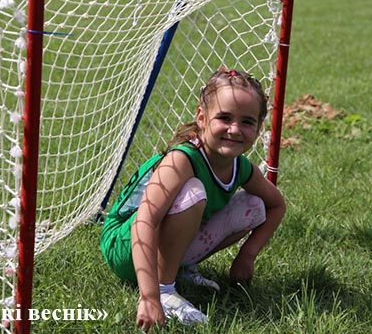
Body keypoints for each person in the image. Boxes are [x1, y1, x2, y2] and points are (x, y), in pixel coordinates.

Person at [100, 68, 286, 331]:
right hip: (126, 246)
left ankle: (178, 268)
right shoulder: (182, 159)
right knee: (193, 191)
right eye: (224, 117)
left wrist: (247, 256)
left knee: (254, 206)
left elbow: (277, 205)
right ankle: (165, 291)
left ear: (258, 129)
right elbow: (144, 222)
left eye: (247, 122)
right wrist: (150, 296)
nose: (234, 129)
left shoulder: (241, 167)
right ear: (201, 117)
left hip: (154, 243)